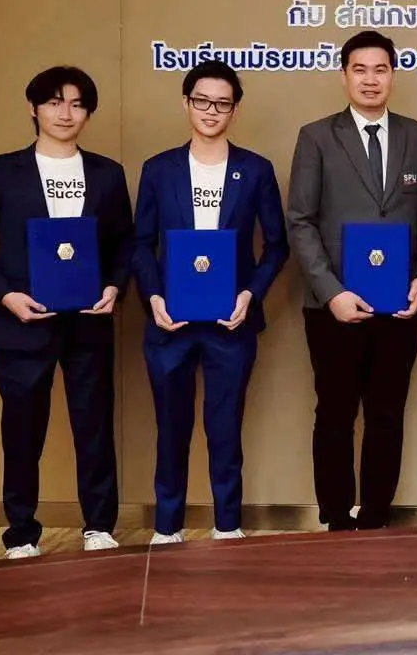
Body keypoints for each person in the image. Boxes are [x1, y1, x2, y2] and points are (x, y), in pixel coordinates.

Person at [0, 66, 133, 559]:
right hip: (21, 322)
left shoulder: (107, 173)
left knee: (94, 427)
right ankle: (21, 533)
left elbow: (125, 242)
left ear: (88, 113)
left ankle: (99, 526)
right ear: (33, 108)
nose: (65, 113)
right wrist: (5, 295)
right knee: (21, 432)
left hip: (88, 321)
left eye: (77, 104)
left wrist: (115, 286)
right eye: (54, 102)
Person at [286, 30, 417, 531]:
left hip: (399, 305)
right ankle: (336, 518)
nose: (371, 79)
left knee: (387, 415)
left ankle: (376, 518)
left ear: (393, 75)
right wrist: (331, 292)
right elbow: (301, 221)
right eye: (360, 70)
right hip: (333, 308)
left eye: (380, 70)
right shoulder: (316, 137)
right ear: (344, 76)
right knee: (334, 415)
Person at [132, 59, 289, 544]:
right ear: (186, 103)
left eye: (222, 103)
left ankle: (227, 524)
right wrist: (153, 297)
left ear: (235, 110)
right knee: (171, 427)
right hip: (170, 322)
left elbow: (277, 245)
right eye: (202, 100)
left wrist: (250, 293)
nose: (211, 110)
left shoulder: (255, 170)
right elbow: (140, 244)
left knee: (225, 427)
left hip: (230, 322)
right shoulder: (158, 169)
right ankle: (167, 527)